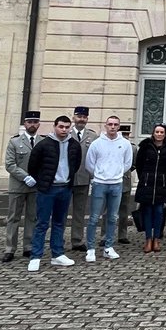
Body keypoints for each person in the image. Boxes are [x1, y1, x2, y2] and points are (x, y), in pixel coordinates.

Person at [26, 115, 82, 272]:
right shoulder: (44, 145)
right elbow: (33, 166)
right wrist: (43, 181)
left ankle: (57, 254)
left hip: (65, 188)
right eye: (61, 127)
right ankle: (36, 256)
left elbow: (76, 164)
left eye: (66, 127)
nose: (64, 130)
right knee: (42, 223)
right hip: (47, 189)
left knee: (59, 222)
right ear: (55, 126)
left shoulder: (74, 145)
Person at [85, 115, 133, 262]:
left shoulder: (125, 144)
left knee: (112, 217)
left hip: (116, 184)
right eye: (110, 124)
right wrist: (100, 175)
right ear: (106, 126)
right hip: (100, 183)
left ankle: (108, 246)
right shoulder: (97, 143)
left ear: (119, 127)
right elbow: (89, 164)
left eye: (115, 124)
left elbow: (127, 164)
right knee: (94, 218)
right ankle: (91, 248)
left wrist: (116, 174)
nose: (112, 127)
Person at [2, 110, 41, 263]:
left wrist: (36, 178)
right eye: (29, 122)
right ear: (25, 124)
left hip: (35, 186)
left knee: (32, 217)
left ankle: (28, 247)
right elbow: (10, 164)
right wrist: (25, 177)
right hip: (18, 186)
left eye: (35, 122)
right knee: (13, 218)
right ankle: (10, 249)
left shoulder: (42, 142)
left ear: (39, 124)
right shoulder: (14, 142)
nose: (32, 125)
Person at [134, 123, 166, 253]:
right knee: (147, 212)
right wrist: (144, 177)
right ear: (153, 133)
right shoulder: (145, 146)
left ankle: (156, 239)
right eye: (157, 132)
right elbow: (139, 164)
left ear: (165, 134)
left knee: (158, 213)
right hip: (147, 183)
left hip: (162, 184)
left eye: (161, 132)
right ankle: (148, 239)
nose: (159, 134)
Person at [69, 105, 97, 252]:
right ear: (74, 117)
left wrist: (93, 176)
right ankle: (58, 239)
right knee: (61, 212)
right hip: (66, 179)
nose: (81, 119)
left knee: (79, 212)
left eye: (84, 117)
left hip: (84, 178)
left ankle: (77, 240)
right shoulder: (66, 133)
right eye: (79, 116)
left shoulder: (92, 136)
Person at [116, 124, 137, 244]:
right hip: (112, 179)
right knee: (108, 210)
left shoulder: (132, 147)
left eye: (127, 135)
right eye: (123, 134)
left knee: (124, 209)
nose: (125, 136)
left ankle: (122, 234)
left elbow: (133, 164)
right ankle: (104, 235)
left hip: (125, 180)